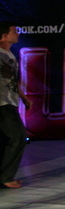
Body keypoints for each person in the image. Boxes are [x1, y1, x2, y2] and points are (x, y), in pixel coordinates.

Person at [0, 22, 32, 189]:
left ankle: (4, 176)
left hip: (9, 102)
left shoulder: (9, 55)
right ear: (4, 36)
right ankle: (6, 176)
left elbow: (12, 81)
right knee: (18, 137)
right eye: (14, 31)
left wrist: (24, 98)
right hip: (2, 103)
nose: (17, 33)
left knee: (9, 138)